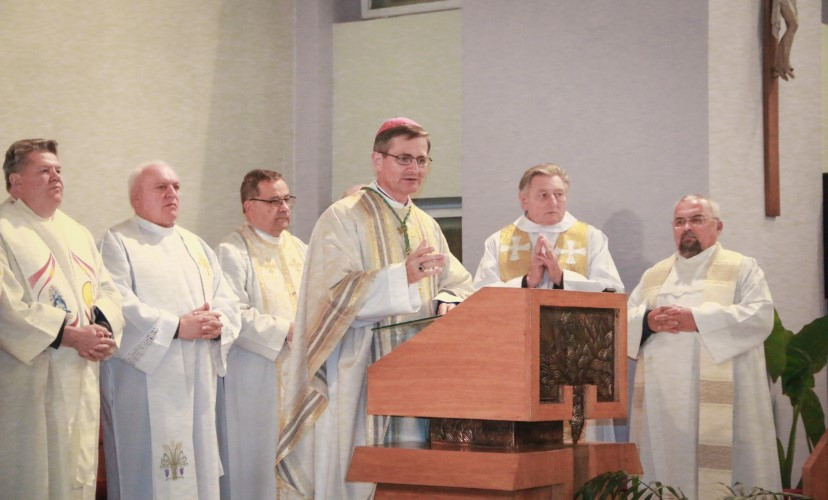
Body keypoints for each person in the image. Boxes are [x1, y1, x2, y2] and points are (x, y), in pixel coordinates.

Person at [276, 117, 475, 499]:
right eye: (404, 158)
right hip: (357, 371)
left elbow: (458, 282)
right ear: (377, 159)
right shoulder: (343, 217)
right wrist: (400, 278)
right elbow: (329, 294)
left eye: (422, 160)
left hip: (416, 379)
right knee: (358, 478)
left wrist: (448, 300)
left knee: (412, 480)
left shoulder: (427, 225)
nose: (414, 168)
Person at [99, 161, 240, 499]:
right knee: (148, 474)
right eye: (161, 187)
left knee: (198, 467)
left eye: (176, 186)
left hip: (198, 381)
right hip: (144, 382)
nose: (172, 194)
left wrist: (218, 323)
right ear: (136, 197)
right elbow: (117, 304)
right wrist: (176, 326)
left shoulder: (196, 245)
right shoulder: (118, 242)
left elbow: (227, 299)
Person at [627, 194, 780, 499]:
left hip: (726, 399)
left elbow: (760, 316)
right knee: (667, 468)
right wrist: (647, 321)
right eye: (679, 221)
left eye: (697, 219)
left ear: (718, 226)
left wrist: (696, 320)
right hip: (665, 402)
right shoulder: (654, 276)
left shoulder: (741, 268)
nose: (687, 227)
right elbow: (624, 319)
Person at [0, 139, 123, 499]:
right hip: (29, 381)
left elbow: (107, 290)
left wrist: (100, 330)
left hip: (80, 375)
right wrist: (70, 336)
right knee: (34, 477)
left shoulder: (78, 233)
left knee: (77, 474)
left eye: (58, 170)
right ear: (16, 182)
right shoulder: (5, 230)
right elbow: (6, 308)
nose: (56, 177)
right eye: (44, 170)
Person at [473, 163, 624, 442]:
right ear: (524, 200)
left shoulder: (590, 238)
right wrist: (526, 282)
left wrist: (561, 277)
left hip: (576, 361)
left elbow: (612, 294)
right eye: (543, 195)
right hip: (518, 361)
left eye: (559, 194)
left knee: (580, 444)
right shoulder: (500, 242)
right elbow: (480, 300)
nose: (553, 202)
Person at [215, 169, 307, 499]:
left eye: (287, 199)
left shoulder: (300, 249)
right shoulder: (232, 251)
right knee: (257, 466)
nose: (284, 207)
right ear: (248, 206)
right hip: (255, 379)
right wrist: (285, 330)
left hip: (299, 376)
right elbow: (232, 314)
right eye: (273, 201)